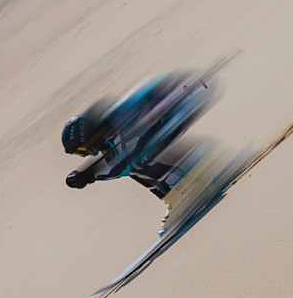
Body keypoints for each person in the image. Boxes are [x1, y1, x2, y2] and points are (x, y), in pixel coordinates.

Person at [61, 69, 216, 200]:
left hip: (188, 96)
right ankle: (173, 197)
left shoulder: (114, 127)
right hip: (184, 97)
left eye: (82, 150)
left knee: (134, 161)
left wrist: (90, 175)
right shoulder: (108, 130)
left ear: (88, 138)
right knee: (134, 161)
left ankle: (194, 175)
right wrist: (88, 173)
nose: (86, 154)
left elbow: (120, 167)